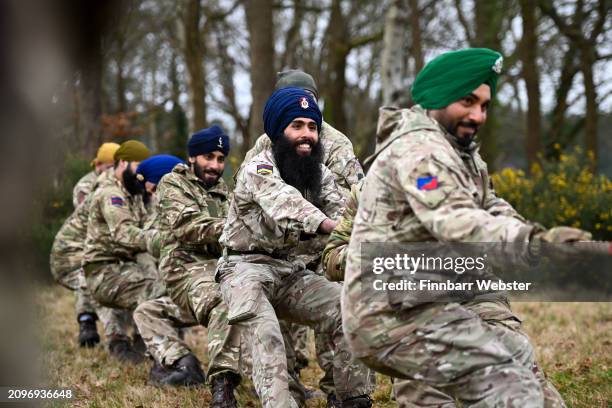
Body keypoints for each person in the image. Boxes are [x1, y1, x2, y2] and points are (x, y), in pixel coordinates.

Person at [343, 48, 590, 407]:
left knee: (519, 359)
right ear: (440, 97)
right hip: (391, 315)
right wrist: (533, 243)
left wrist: (543, 241)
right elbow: (455, 218)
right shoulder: (420, 152)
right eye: (467, 101)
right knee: (511, 389)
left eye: (484, 106)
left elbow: (490, 206)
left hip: (437, 299)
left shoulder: (462, 154)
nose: (477, 115)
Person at [216, 87, 373, 408]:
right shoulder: (257, 168)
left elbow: (344, 210)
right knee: (268, 339)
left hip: (290, 272)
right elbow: (286, 204)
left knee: (349, 307)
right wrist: (331, 227)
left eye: (312, 127)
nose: (306, 135)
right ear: (278, 133)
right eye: (297, 126)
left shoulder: (319, 174)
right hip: (245, 270)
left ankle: (351, 398)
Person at [132, 127, 242, 406]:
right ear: (192, 156)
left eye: (220, 159)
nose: (215, 165)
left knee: (147, 312)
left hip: (214, 269)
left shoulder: (224, 192)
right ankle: (223, 384)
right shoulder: (172, 184)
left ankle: (184, 363)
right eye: (208, 156)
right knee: (223, 301)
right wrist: (239, 228)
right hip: (183, 271)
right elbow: (188, 226)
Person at [82, 140, 166, 363]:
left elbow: (150, 224)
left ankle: (143, 343)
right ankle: (150, 347)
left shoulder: (135, 193)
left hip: (127, 266)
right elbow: (124, 233)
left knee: (163, 285)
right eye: (138, 167)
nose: (141, 175)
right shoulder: (110, 194)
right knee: (156, 291)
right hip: (103, 271)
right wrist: (161, 240)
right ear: (121, 164)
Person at [50, 142, 137, 352]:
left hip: (96, 246)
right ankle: (90, 323)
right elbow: (99, 221)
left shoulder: (121, 184)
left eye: (112, 167)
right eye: (105, 167)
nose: (108, 171)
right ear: (97, 165)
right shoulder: (89, 187)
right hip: (74, 253)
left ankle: (136, 332)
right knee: (92, 276)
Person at [73, 142, 120, 208]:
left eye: (117, 166)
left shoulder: (117, 180)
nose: (114, 170)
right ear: (98, 164)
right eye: (110, 167)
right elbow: (85, 211)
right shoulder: (86, 184)